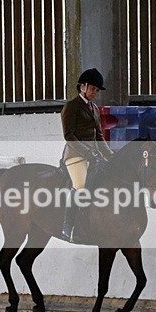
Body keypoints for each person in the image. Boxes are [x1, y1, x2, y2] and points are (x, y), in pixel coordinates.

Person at [59, 68, 114, 242]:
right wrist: (87, 152)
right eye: (93, 89)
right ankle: (68, 227)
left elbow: (98, 135)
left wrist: (110, 155)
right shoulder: (72, 106)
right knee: (81, 185)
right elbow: (69, 135)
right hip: (75, 154)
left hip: (94, 154)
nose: (95, 93)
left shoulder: (95, 109)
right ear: (83, 87)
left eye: (97, 91)